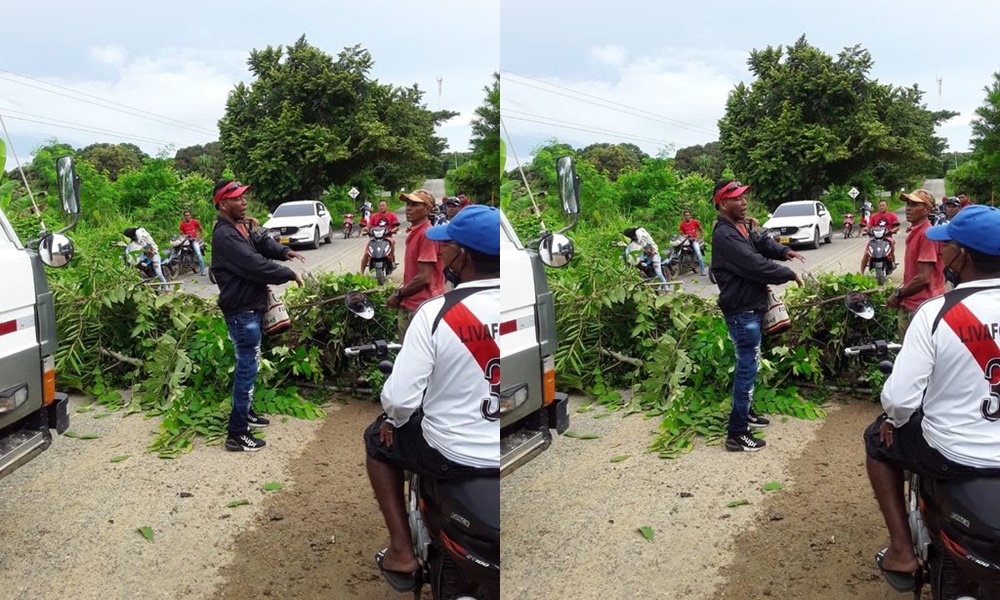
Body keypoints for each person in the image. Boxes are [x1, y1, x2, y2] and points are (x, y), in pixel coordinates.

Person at [863, 204, 1000, 593]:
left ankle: (902, 552)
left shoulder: (936, 314)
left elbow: (902, 399)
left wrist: (891, 418)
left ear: (963, 256)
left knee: (877, 442)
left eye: (949, 247)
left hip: (955, 454)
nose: (943, 253)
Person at [363, 205, 500, 592]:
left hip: (453, 453)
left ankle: (402, 552)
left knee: (377, 442)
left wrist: (391, 417)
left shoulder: (436, 314)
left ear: (464, 256)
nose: (444, 254)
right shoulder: (523, 307)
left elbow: (402, 399)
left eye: (449, 247)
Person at [210, 179, 306, 452]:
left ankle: (247, 411)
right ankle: (237, 433)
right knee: (246, 369)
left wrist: (285, 251)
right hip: (241, 312)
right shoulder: (225, 235)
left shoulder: (240, 227)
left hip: (250, 308)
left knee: (250, 364)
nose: (244, 202)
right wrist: (287, 273)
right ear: (223, 203)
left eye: (244, 197)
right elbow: (254, 264)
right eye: (238, 198)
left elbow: (262, 244)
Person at [710, 179, 805, 452]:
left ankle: (746, 411)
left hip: (750, 308)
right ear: (723, 203)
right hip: (741, 312)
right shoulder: (724, 235)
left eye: (743, 197)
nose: (744, 202)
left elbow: (762, 243)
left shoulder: (740, 227)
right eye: (738, 198)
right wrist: (787, 273)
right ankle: (737, 433)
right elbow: (754, 264)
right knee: (746, 369)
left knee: (750, 365)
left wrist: (784, 251)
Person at [386, 189, 444, 342]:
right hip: (412, 303)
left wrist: (398, 294)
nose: (408, 208)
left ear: (427, 209)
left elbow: (423, 278)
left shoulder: (426, 234)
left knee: (413, 353)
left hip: (421, 306)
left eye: (414, 204)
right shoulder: (415, 232)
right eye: (407, 204)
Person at [886, 189, 944, 342]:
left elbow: (923, 278)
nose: (908, 208)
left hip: (921, 306)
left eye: (914, 204)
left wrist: (898, 294)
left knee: (912, 353)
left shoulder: (926, 234)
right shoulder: (915, 232)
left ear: (927, 209)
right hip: (912, 303)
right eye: (907, 204)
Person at [860, 200, 901, 272]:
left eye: (883, 205)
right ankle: (861, 273)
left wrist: (892, 230)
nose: (882, 207)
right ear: (878, 207)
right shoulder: (874, 216)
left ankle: (892, 261)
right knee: (867, 252)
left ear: (886, 206)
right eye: (880, 206)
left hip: (887, 237)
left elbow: (896, 227)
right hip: (874, 237)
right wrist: (865, 229)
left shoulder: (892, 215)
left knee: (891, 242)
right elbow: (869, 226)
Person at [360, 200, 401, 270]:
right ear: (378, 207)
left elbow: (397, 227)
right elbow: (369, 226)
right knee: (367, 252)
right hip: (374, 238)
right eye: (380, 206)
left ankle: (392, 261)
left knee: (391, 242)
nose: (382, 207)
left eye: (383, 205)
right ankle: (361, 272)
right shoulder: (374, 216)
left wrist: (392, 231)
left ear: (386, 206)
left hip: (387, 237)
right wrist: (365, 229)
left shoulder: (392, 215)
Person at [677, 210, 707, 276]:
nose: (687, 216)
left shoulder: (695, 222)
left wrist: (699, 238)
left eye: (688, 215)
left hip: (694, 240)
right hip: (686, 240)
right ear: (684, 216)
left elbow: (701, 230)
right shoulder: (682, 224)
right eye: (686, 215)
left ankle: (702, 270)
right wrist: (683, 235)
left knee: (698, 254)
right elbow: (681, 233)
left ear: (690, 216)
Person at [179, 210, 207, 276]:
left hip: (194, 240)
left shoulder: (194, 222)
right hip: (186, 241)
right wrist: (183, 235)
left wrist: (199, 238)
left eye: (188, 215)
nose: (187, 216)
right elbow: (181, 233)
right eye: (186, 215)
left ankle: (202, 270)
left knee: (198, 253)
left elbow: (201, 229)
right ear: (184, 216)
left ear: (190, 216)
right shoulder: (182, 224)